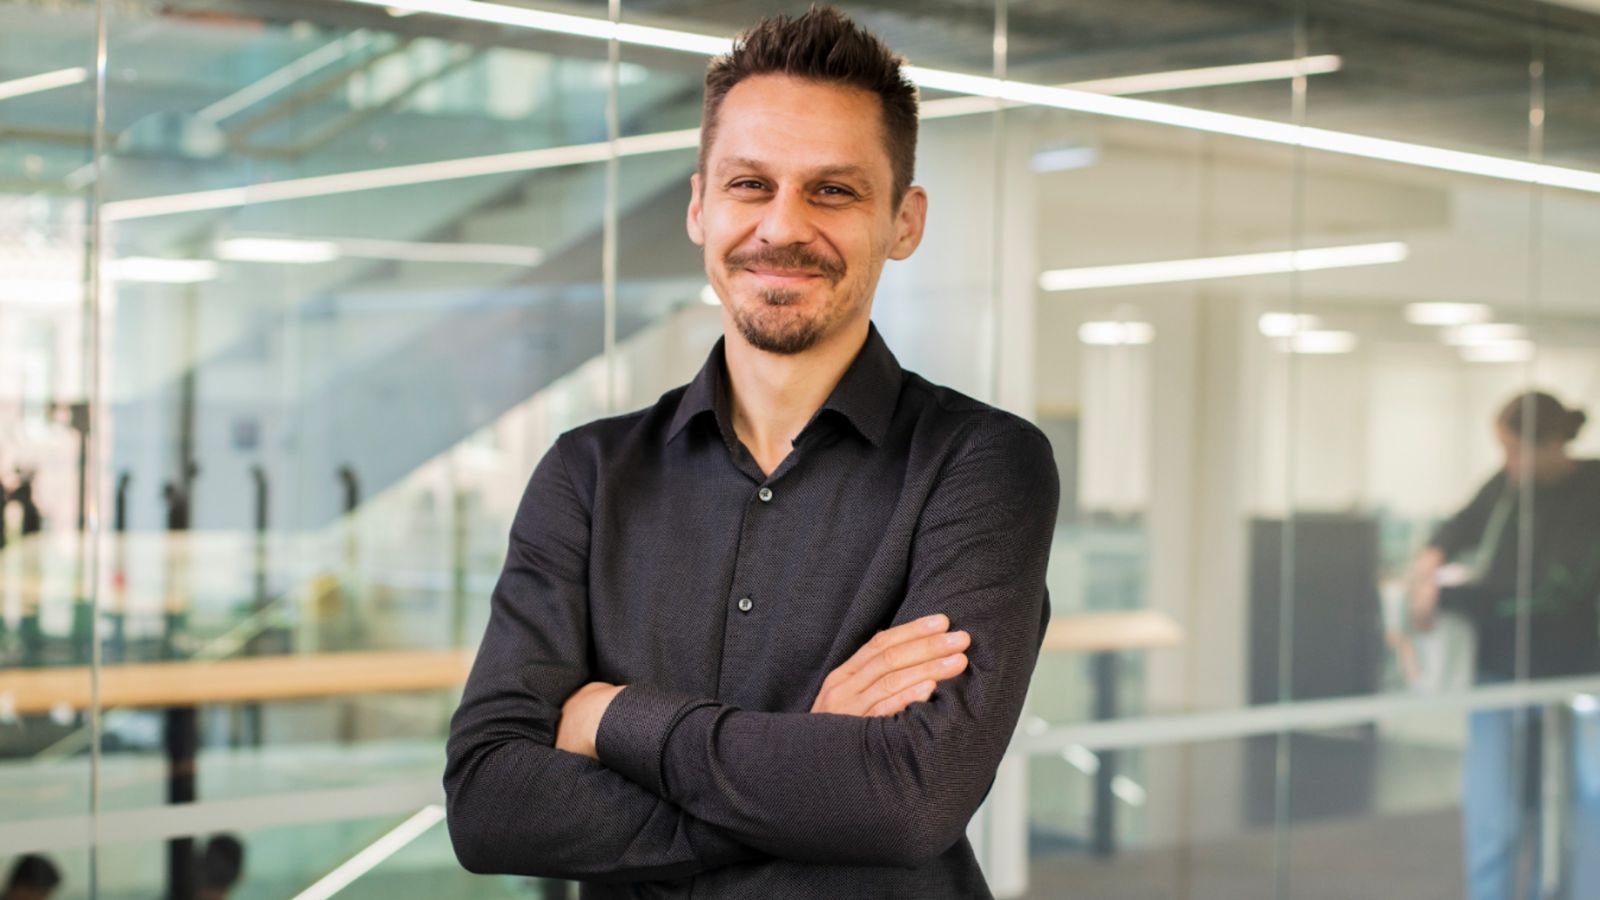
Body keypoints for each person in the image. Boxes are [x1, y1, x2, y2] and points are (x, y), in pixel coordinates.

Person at [443, 7, 1059, 898]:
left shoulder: (983, 465)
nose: (783, 227)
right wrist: (809, 763)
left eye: (834, 191)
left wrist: (612, 717)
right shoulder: (587, 475)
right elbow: (490, 803)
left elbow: (907, 801)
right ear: (700, 206)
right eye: (749, 184)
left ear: (904, 221)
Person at [1410, 390, 1600, 900]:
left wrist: (1446, 595)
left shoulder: (1593, 493)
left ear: (1553, 444)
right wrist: (1433, 558)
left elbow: (1550, 591)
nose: (1508, 464)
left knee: (1583, 805)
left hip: (1577, 679)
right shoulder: (1510, 483)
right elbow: (1462, 523)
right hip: (1501, 674)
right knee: (1494, 811)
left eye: (1517, 451)